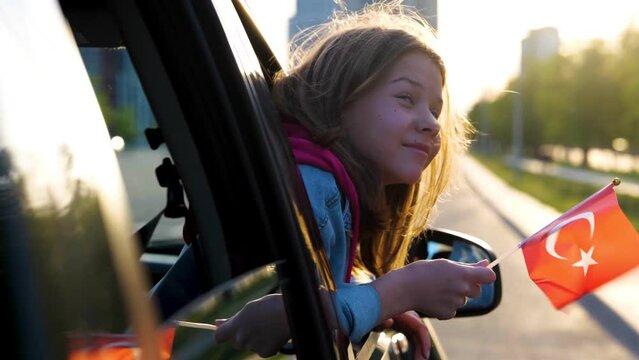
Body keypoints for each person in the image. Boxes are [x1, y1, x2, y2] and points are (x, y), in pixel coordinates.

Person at [215, 1, 496, 358]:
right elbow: (283, 314)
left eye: (435, 110)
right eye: (406, 98)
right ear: (339, 98)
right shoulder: (313, 188)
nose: (431, 123)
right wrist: (399, 291)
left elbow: (311, 300)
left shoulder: (322, 184)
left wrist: (375, 308)